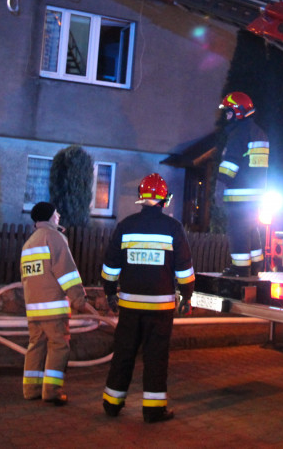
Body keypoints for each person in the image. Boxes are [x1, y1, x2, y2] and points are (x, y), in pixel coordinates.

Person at [100, 174, 195, 423]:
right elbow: (184, 269)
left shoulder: (126, 225)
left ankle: (112, 403)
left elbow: (110, 266)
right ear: (164, 199)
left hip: (129, 305)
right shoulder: (173, 228)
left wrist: (110, 293)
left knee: (123, 353)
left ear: (141, 199)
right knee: (156, 357)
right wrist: (187, 296)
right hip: (160, 307)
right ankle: (153, 410)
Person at [20, 201, 87, 406]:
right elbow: (66, 272)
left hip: (34, 310)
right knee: (58, 347)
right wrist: (79, 299)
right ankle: (52, 391)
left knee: (35, 347)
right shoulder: (54, 238)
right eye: (56, 213)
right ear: (50, 216)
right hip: (54, 308)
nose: (58, 216)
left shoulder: (29, 244)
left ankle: (31, 390)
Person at [217, 91, 270, 277]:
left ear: (238, 112)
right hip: (256, 197)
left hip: (239, 196)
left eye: (229, 112)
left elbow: (229, 167)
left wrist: (219, 180)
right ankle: (256, 265)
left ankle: (240, 268)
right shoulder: (259, 133)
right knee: (251, 230)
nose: (227, 116)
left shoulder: (239, 133)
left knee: (238, 231)